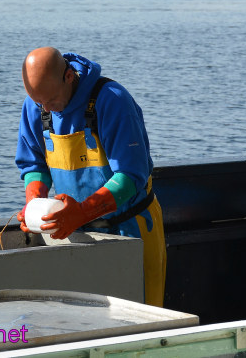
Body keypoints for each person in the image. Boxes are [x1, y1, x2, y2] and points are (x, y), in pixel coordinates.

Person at [15, 47, 166, 306]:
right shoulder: (37, 105)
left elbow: (130, 176)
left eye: (50, 101)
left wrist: (82, 212)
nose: (45, 108)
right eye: (39, 102)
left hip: (130, 229)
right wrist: (34, 203)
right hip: (75, 232)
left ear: (69, 76)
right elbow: (34, 164)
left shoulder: (113, 101)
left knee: (140, 323)